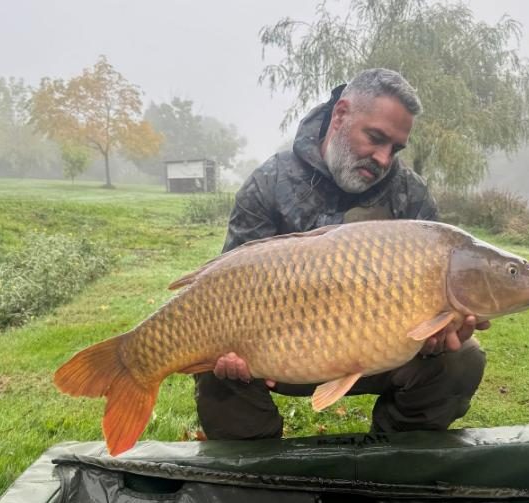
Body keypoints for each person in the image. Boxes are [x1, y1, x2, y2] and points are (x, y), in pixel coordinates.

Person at [196, 68, 488, 440]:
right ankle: (254, 470)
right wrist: (230, 351)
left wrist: (437, 335)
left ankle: (393, 461)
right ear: (341, 114)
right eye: (375, 138)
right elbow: (225, 285)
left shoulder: (410, 196)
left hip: (380, 353)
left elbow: (435, 317)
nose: (383, 158)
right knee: (212, 363)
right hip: (275, 355)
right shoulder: (268, 183)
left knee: (463, 358)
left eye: (395, 148)